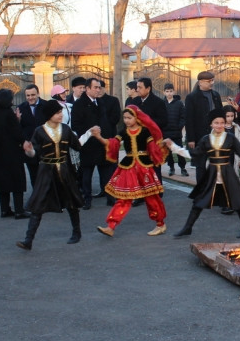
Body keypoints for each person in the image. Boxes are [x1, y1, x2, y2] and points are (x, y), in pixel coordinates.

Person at [167, 109, 240, 238]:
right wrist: (173, 147)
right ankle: (187, 227)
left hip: (227, 173)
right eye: (216, 123)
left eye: (222, 122)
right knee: (199, 201)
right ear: (211, 124)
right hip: (212, 174)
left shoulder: (230, 138)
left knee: (237, 200)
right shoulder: (206, 139)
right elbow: (193, 154)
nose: (219, 125)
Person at [16, 99, 87, 249]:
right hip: (46, 171)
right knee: (38, 204)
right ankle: (28, 240)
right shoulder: (39, 131)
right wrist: (29, 151)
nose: (60, 115)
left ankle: (77, 233)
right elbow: (34, 153)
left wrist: (89, 134)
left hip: (64, 169)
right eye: (57, 112)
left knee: (71, 202)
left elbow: (78, 145)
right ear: (49, 115)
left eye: (61, 112)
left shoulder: (66, 129)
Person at [92, 105, 168, 237]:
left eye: (129, 117)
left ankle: (160, 224)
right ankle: (111, 226)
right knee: (123, 198)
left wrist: (163, 146)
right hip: (128, 168)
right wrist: (98, 137)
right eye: (125, 118)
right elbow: (111, 144)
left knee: (151, 197)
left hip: (144, 168)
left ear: (136, 117)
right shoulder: (123, 132)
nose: (126, 120)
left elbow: (152, 148)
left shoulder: (145, 131)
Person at [71, 77, 119, 209]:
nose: (98, 90)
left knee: (107, 172)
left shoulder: (100, 102)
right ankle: (87, 199)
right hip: (88, 144)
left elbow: (106, 121)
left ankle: (110, 197)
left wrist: (107, 138)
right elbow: (76, 125)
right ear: (87, 89)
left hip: (102, 143)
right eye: (95, 88)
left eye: (99, 87)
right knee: (87, 174)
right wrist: (90, 132)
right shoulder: (79, 104)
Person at [0, 88, 29, 219]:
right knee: (17, 181)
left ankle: (5, 209)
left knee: (2, 182)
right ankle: (19, 210)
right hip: (11, 152)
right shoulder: (8, 114)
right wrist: (18, 120)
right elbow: (16, 133)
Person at [183, 71, 223, 184]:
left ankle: (215, 190)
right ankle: (201, 192)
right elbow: (189, 119)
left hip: (215, 136)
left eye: (212, 80)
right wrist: (191, 139)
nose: (212, 83)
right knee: (201, 165)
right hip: (200, 136)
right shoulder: (192, 97)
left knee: (216, 165)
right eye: (209, 81)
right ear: (200, 82)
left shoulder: (215, 95)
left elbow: (220, 114)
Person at [18, 84, 47, 185]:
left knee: (47, 173)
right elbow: (19, 129)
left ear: (38, 94)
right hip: (30, 145)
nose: (30, 98)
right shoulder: (21, 108)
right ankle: (36, 196)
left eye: (33, 95)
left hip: (45, 144)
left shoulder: (47, 105)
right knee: (33, 173)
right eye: (28, 95)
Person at [162, 83, 187, 176]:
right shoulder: (162, 104)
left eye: (171, 91)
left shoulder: (179, 103)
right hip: (166, 132)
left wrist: (179, 126)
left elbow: (183, 117)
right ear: (164, 92)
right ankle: (171, 167)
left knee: (179, 151)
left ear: (174, 91)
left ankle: (183, 168)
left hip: (176, 132)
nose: (169, 93)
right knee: (168, 152)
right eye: (167, 91)